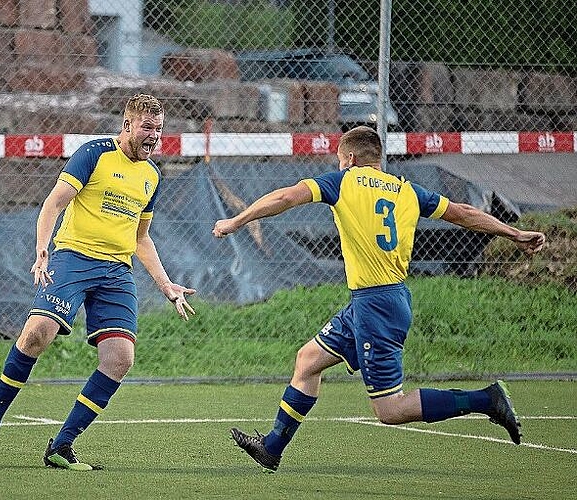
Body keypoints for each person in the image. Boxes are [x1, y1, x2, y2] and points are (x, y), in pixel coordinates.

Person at [212, 125, 545, 472]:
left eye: (341, 161)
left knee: (390, 410)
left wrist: (237, 220)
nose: (339, 166)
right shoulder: (406, 190)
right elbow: (463, 212)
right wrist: (514, 232)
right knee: (308, 360)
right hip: (373, 301)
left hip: (377, 306)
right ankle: (271, 448)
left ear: (351, 159)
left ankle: (486, 399)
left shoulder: (343, 182)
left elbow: (285, 197)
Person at [0, 94, 196, 471]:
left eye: (159, 129)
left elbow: (140, 238)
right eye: (147, 127)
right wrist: (42, 250)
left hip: (116, 272)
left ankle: (62, 445)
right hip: (73, 258)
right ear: (128, 125)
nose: (154, 136)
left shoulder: (152, 176)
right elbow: (54, 203)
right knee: (37, 333)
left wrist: (165, 284)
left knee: (120, 359)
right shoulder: (95, 153)